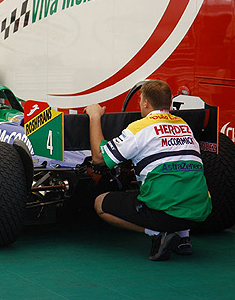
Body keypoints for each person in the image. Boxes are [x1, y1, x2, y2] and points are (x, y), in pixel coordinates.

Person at [84, 80, 212, 261]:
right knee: (175, 182)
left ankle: (158, 234)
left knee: (100, 204)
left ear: (145, 103)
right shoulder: (184, 125)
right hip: (200, 212)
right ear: (168, 103)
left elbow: (98, 157)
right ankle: (184, 237)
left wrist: (94, 116)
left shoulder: (139, 127)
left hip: (166, 213)